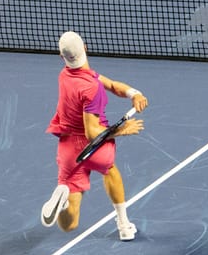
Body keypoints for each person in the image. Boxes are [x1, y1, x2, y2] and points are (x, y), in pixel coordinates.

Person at [41, 31, 148, 241]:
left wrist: (134, 93)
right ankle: (124, 225)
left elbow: (113, 85)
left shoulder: (65, 75)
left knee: (69, 224)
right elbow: (92, 133)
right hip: (93, 146)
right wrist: (120, 130)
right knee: (111, 172)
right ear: (86, 48)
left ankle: (62, 201)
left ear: (62, 58)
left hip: (68, 150)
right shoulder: (92, 89)